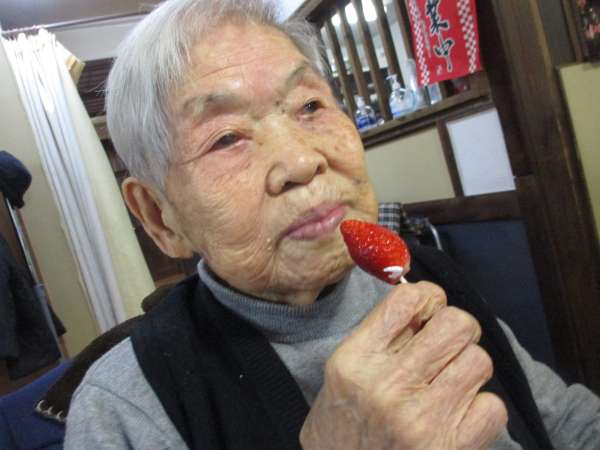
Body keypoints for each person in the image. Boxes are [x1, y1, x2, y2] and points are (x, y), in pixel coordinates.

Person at [64, 0, 600, 448]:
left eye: (310, 106)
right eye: (226, 138)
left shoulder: (429, 277)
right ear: (159, 216)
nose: (302, 161)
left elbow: (568, 423)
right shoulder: (126, 408)